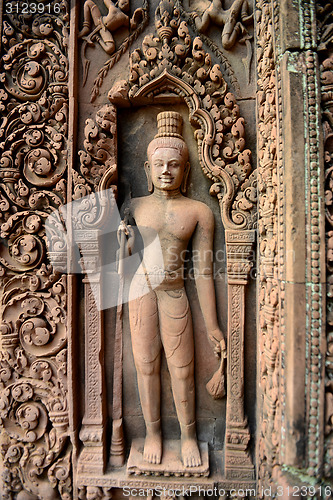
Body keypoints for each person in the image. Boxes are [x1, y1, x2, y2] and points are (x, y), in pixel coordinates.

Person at [123, 111, 226, 468]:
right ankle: (152, 434)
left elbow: (203, 272)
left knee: (182, 368)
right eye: (158, 164)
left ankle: (187, 436)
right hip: (141, 293)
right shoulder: (134, 207)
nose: (166, 170)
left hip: (174, 293)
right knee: (146, 365)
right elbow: (120, 267)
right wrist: (123, 247)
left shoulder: (198, 212)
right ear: (148, 171)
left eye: (174, 164)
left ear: (186, 170)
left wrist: (212, 325)